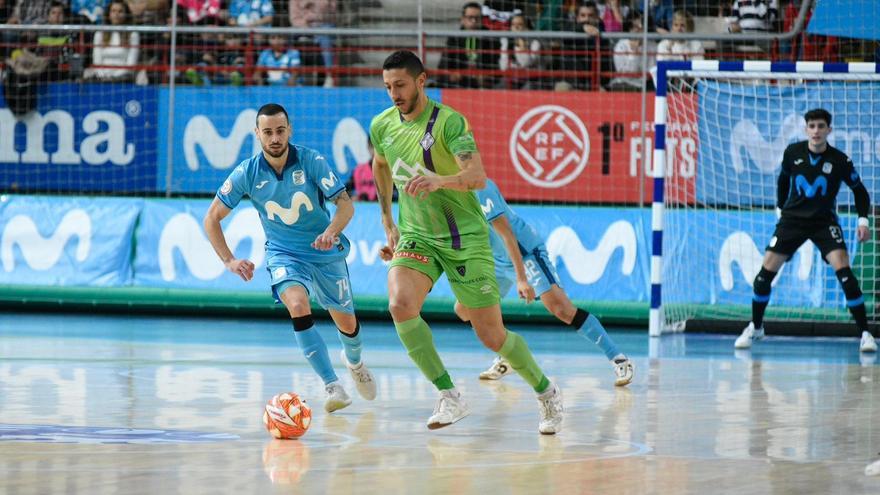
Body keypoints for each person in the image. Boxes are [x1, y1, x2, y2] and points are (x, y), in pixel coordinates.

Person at [370, 50, 564, 434]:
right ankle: (449, 395)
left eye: (401, 85)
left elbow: (476, 175)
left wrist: (439, 180)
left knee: (491, 335)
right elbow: (380, 164)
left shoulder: (449, 123)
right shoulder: (382, 125)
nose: (394, 93)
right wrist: (387, 218)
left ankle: (547, 392)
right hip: (417, 235)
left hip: (465, 238)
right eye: (388, 86)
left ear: (421, 81)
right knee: (400, 303)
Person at [203, 103, 377, 413]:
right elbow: (212, 218)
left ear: (289, 130)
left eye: (280, 131)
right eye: (267, 132)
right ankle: (332, 385)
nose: (274, 138)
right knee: (297, 305)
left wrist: (332, 232)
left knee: (348, 325)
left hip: (324, 252)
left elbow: (345, 205)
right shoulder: (247, 172)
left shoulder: (311, 161)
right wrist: (228, 260)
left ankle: (355, 362)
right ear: (257, 134)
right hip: (284, 253)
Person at [457, 178, 635, 385]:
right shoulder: (447, 192)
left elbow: (506, 234)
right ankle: (508, 355)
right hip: (494, 258)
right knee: (464, 309)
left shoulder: (480, 187)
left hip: (523, 253)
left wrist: (521, 279)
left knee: (561, 309)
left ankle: (619, 359)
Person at [734, 108, 875, 353]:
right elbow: (783, 180)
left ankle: (865, 334)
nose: (816, 131)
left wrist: (863, 221)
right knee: (763, 277)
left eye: (821, 126)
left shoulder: (840, 160)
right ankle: (756, 327)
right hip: (792, 221)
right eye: (812, 126)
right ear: (805, 129)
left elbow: (860, 191)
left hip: (824, 223)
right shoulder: (792, 153)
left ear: (829, 130)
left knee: (846, 276)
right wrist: (780, 209)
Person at [436, 2, 501, 89]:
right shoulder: (454, 38)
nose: (474, 21)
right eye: (470, 17)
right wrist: (451, 75)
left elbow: (496, 65)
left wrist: (487, 76)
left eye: (477, 18)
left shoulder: (490, 38)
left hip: (483, 84)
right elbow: (443, 65)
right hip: (459, 83)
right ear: (462, 19)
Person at [83, 1, 140, 83]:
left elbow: (131, 64)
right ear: (109, 14)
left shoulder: (133, 34)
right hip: (101, 78)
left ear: (126, 14)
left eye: (120, 11)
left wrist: (114, 78)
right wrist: (104, 77)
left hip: (124, 78)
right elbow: (97, 61)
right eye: (113, 11)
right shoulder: (100, 33)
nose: (116, 14)